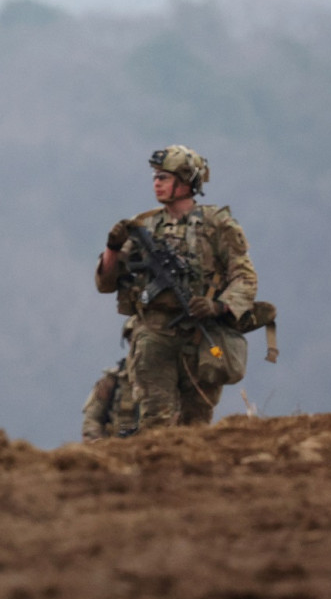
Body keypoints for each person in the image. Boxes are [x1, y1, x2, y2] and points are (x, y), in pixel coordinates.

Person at [95, 145, 258, 430]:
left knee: (196, 423)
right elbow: (105, 283)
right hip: (155, 334)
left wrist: (218, 305)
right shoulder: (145, 227)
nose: (156, 182)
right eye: (156, 177)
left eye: (164, 177)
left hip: (203, 336)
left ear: (185, 183)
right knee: (155, 419)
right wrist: (112, 247)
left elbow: (245, 278)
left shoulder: (217, 225)